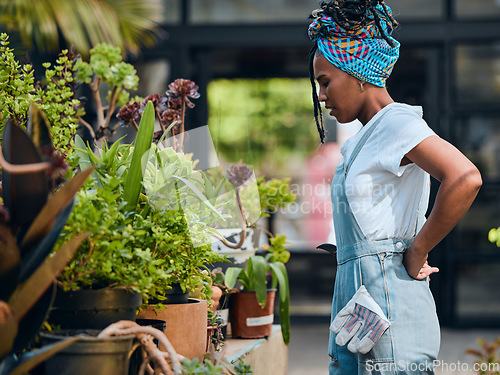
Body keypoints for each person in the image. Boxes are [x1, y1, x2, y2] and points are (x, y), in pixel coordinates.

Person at [307, 1, 482, 374]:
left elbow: (465, 177)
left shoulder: (396, 123)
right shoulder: (361, 139)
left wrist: (418, 250)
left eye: (325, 82)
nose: (321, 97)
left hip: (388, 306)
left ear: (358, 74)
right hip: (359, 306)